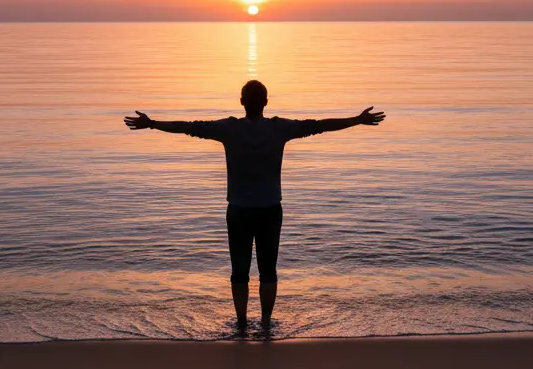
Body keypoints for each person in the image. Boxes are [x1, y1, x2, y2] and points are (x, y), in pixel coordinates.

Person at [124, 80, 385, 335]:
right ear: (266, 102)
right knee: (268, 269)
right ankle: (266, 323)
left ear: (241, 102)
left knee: (239, 271)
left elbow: (187, 127)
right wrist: (356, 120)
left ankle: (241, 323)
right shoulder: (279, 128)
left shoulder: (229, 129)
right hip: (270, 209)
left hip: (238, 210)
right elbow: (319, 126)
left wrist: (152, 124)